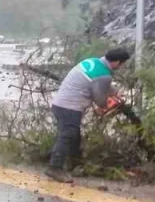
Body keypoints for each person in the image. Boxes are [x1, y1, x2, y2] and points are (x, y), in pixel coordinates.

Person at [46, 48, 130, 182]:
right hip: (70, 107)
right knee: (67, 136)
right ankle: (54, 167)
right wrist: (108, 106)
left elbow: (98, 84)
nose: (122, 67)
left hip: (59, 104)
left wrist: (115, 92)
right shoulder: (104, 75)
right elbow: (99, 98)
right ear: (117, 62)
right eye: (122, 64)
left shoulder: (92, 62)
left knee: (73, 136)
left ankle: (75, 164)